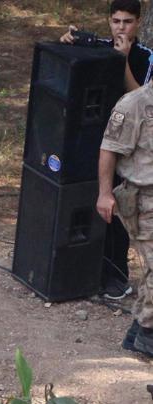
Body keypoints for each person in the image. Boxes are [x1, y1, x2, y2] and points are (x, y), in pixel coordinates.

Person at [61, 0, 153, 300]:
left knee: (117, 208)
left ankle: (115, 276)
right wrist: (68, 43)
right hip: (92, 136)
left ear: (138, 23)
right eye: (116, 21)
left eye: (127, 22)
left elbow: (142, 97)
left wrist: (122, 61)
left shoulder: (145, 56)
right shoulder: (100, 47)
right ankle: (83, 270)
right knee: (83, 201)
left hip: (129, 144)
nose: (121, 28)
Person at [96, 81, 153, 358]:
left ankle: (137, 332)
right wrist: (104, 193)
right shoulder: (134, 104)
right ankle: (148, 335)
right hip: (144, 201)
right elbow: (109, 149)